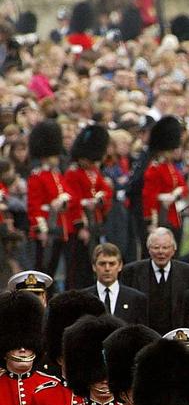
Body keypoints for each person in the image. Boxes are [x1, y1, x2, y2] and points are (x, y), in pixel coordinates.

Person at [120, 228, 189, 335]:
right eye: (156, 247)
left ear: (173, 249)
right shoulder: (132, 271)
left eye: (165, 247)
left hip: (177, 336)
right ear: (149, 249)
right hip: (143, 335)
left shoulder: (188, 272)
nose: (161, 252)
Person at [64, 123, 113, 289]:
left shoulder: (94, 172)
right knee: (79, 266)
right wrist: (80, 227)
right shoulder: (73, 173)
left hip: (95, 222)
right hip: (82, 225)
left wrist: (100, 199)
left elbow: (105, 191)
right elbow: (73, 202)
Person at [26, 120, 69, 280]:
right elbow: (34, 206)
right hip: (46, 227)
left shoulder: (56, 174)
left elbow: (66, 192)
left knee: (54, 270)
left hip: (59, 226)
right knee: (42, 270)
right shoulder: (37, 176)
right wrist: (41, 230)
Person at [141, 117, 188, 240]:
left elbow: (183, 186)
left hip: (174, 216)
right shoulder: (155, 169)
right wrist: (151, 222)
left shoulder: (171, 167)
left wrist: (176, 193)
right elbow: (149, 197)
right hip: (161, 216)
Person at [86, 244, 149, 324]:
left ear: (120, 266)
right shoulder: (83, 299)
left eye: (112, 264)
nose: (107, 269)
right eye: (102, 264)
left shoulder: (136, 299)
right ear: (94, 266)